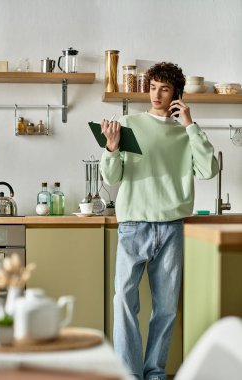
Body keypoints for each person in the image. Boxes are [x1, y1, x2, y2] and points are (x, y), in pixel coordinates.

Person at [100, 62, 219, 380]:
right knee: (124, 301)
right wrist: (111, 148)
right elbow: (112, 176)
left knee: (165, 308)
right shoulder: (128, 123)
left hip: (171, 226)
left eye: (164, 89)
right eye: (152, 87)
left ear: (176, 95)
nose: (156, 94)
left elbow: (208, 170)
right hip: (133, 225)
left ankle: (154, 373)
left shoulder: (184, 134)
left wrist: (191, 125)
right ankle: (129, 373)